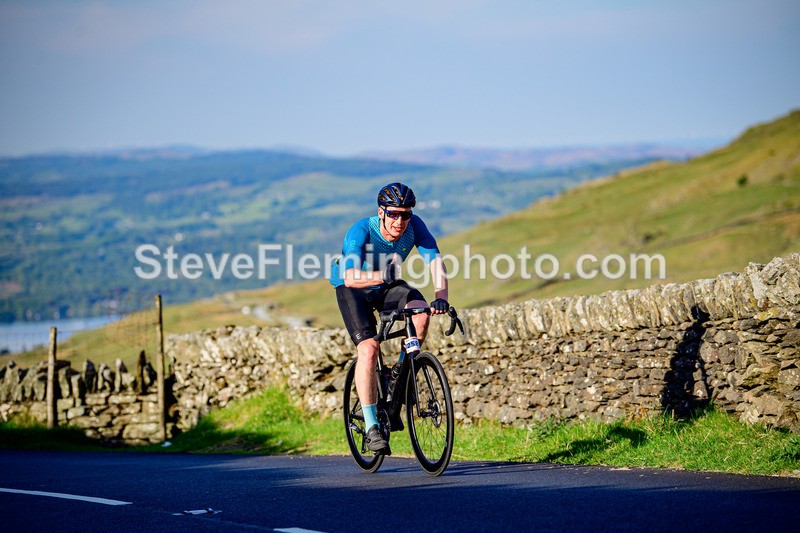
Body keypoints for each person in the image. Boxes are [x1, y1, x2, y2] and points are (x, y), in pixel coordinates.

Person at [330, 182, 449, 455]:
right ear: (381, 212)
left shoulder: (415, 226)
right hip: (353, 288)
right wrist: (381, 276)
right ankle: (372, 426)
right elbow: (350, 276)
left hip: (387, 285)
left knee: (420, 313)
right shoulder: (361, 230)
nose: (400, 220)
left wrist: (441, 296)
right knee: (369, 348)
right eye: (393, 214)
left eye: (405, 214)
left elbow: (435, 261)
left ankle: (399, 374)